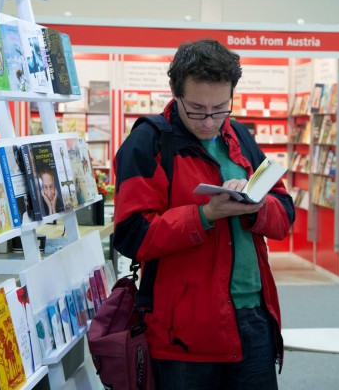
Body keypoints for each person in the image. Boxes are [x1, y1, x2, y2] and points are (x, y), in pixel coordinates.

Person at [113, 39, 295, 389]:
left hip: (254, 317)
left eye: (220, 108)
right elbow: (131, 234)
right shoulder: (148, 142)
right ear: (175, 93)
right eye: (196, 109)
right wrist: (205, 215)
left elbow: (285, 213)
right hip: (183, 331)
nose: (210, 121)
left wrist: (258, 208)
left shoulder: (239, 135)